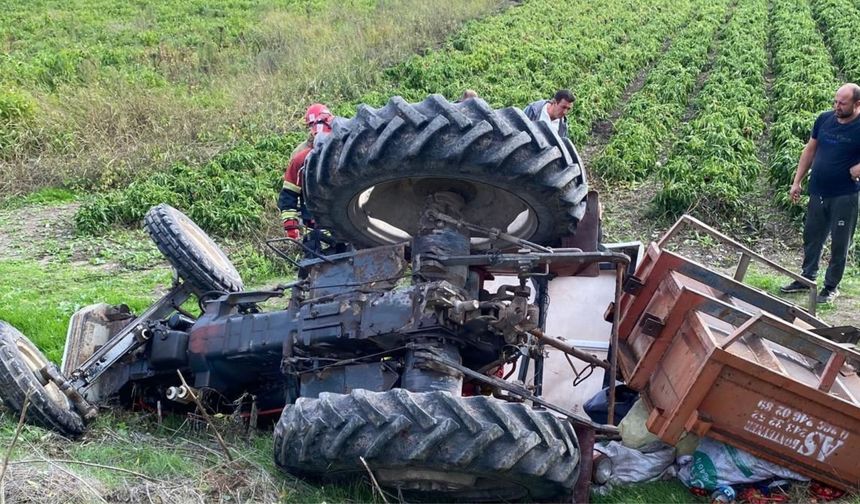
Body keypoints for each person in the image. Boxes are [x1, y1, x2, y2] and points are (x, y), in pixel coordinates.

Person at [780, 83, 860, 303]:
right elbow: (810, 149)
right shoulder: (824, 119)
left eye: (843, 103)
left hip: (844, 195)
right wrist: (797, 181)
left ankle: (831, 286)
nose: (837, 106)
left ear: (857, 104)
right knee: (812, 236)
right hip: (818, 191)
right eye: (836, 101)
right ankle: (806, 278)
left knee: (840, 243)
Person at [278, 103, 334, 239]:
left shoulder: (342, 146)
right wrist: (292, 225)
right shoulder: (300, 156)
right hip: (313, 216)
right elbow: (291, 191)